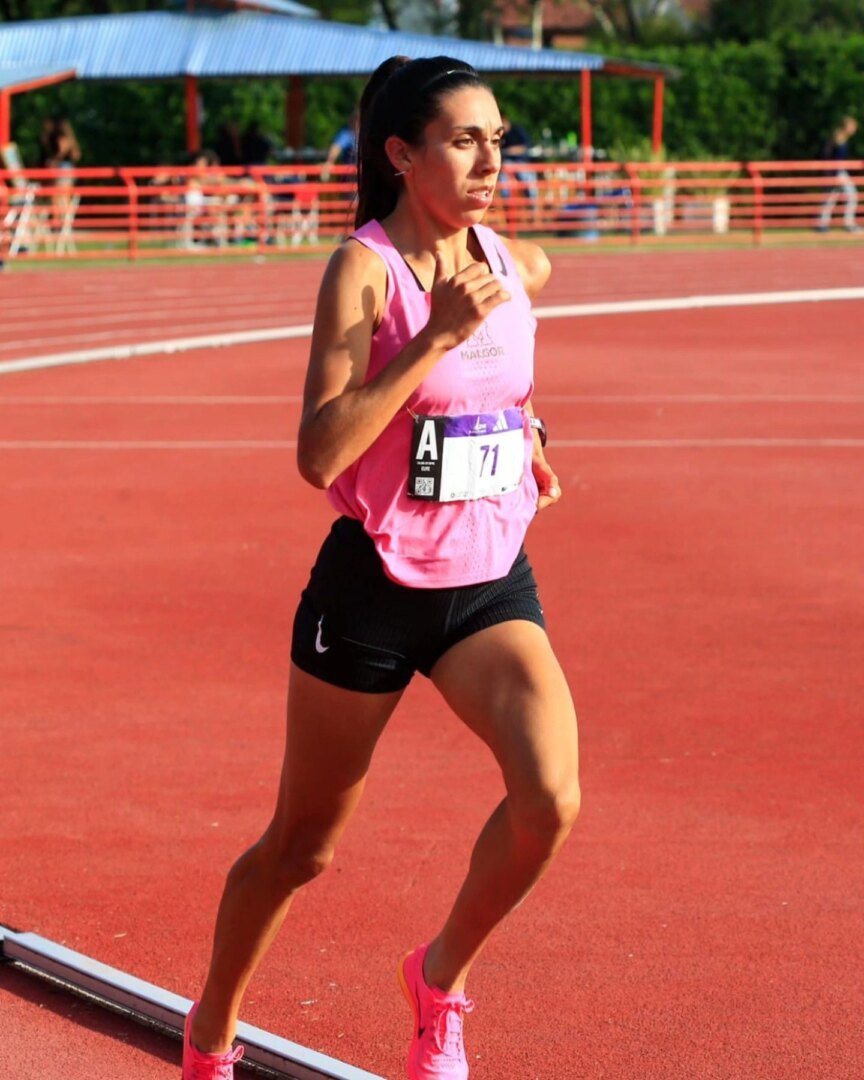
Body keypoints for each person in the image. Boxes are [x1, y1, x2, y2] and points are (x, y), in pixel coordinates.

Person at [181, 54, 580, 1080]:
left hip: (489, 582)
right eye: (464, 139)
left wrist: (523, 425)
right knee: (302, 847)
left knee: (550, 799)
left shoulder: (513, 261)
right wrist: (433, 341)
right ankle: (210, 1035)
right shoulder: (365, 271)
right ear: (402, 155)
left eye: (499, 136)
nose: (491, 156)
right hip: (375, 589)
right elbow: (320, 452)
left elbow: (518, 335)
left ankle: (439, 984)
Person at [816, 115, 859, 233]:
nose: (854, 129)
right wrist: (833, 174)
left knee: (833, 197)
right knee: (847, 196)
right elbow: (831, 158)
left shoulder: (841, 138)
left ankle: (823, 224)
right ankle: (846, 224)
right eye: (852, 126)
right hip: (836, 172)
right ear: (846, 127)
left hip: (838, 171)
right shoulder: (838, 138)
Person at [320, 109, 358, 180]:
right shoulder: (346, 133)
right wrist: (329, 162)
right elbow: (336, 147)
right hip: (350, 175)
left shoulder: (366, 134)